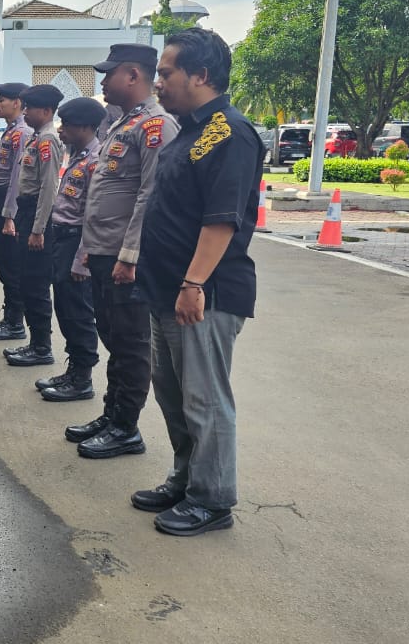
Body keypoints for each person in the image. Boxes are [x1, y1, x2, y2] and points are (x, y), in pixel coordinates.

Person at [134, 28, 262, 536]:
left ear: (200, 75)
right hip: (168, 290)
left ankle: (212, 500)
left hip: (204, 294)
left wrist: (193, 284)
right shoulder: (192, 131)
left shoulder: (229, 133)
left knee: (204, 400)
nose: (158, 82)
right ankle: (187, 479)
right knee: (173, 394)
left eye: (166, 73)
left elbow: (221, 220)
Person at [66, 44, 179, 459]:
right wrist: (90, 249)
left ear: (132, 75)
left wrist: (130, 254)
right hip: (103, 251)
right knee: (113, 337)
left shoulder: (155, 125)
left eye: (108, 73)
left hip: (124, 258)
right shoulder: (122, 124)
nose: (102, 81)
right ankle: (111, 414)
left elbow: (150, 195)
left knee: (131, 344)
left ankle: (126, 427)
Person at [36, 97, 106, 403]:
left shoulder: (96, 160)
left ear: (86, 127)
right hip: (62, 238)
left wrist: (81, 260)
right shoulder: (77, 156)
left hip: (76, 242)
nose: (61, 129)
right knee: (65, 308)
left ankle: (82, 378)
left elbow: (94, 214)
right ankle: (73, 369)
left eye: (67, 124)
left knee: (78, 312)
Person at [0, 84, 64, 365]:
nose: (25, 113)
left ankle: (41, 347)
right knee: (26, 280)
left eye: (30, 108)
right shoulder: (37, 138)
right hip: (26, 212)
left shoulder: (48, 140)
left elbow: (49, 188)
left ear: (46, 110)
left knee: (36, 284)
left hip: (38, 217)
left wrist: (38, 229)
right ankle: (35, 343)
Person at [0, 82, 33, 341]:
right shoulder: (10, 131)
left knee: (11, 264)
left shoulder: (22, 133)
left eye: (2, 100)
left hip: (9, 202)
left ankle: (15, 323)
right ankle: (10, 317)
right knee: (3, 262)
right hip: (0, 199)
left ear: (17, 103)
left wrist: (9, 214)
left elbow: (17, 177)